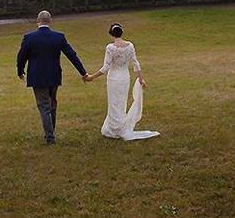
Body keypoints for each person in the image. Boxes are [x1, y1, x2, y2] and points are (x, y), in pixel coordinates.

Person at [16, 10, 89, 145]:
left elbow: (22, 57)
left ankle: (50, 136)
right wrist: (83, 72)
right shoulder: (58, 37)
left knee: (44, 105)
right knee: (52, 104)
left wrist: (20, 71)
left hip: (37, 76)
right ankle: (51, 131)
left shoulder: (29, 38)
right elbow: (72, 55)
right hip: (54, 75)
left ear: (38, 21)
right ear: (50, 21)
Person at [85, 23, 160, 141]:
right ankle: (118, 127)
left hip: (114, 78)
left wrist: (91, 77)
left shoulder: (110, 48)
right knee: (121, 102)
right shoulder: (130, 46)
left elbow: (105, 68)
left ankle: (115, 128)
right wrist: (141, 79)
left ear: (111, 34)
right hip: (125, 78)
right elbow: (136, 63)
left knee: (114, 103)